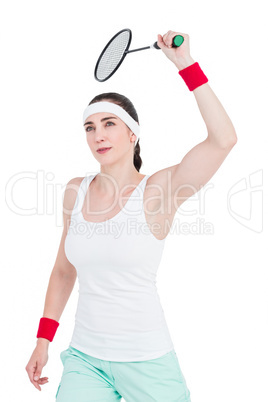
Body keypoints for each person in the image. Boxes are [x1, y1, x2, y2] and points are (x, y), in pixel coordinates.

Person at [25, 30, 237, 401]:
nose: (98, 135)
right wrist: (43, 341)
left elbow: (223, 140)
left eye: (109, 124)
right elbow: (63, 270)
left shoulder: (159, 189)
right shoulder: (75, 190)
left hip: (147, 360)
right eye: (90, 127)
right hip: (85, 359)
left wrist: (185, 64)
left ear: (132, 134)